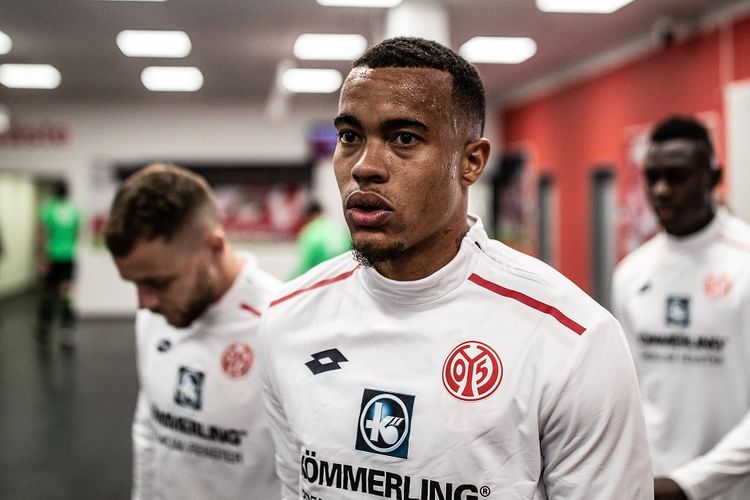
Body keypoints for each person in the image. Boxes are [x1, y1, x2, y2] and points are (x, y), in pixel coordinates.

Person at [259, 37, 652, 499]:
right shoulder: (287, 318)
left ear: (471, 162)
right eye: (350, 136)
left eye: (404, 138)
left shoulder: (571, 338)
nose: (364, 166)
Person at [104, 164, 281, 499]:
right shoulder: (155, 316)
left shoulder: (282, 325)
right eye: (135, 284)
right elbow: (149, 427)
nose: (144, 303)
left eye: (158, 282)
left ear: (213, 248)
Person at [612, 115, 750, 500]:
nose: (661, 191)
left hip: (731, 489)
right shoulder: (631, 273)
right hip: (649, 485)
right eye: (652, 177)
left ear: (713, 177)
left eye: (677, 176)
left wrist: (688, 484)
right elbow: (631, 390)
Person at [37, 179, 82, 347]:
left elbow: (42, 233)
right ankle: (67, 330)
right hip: (68, 257)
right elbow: (77, 233)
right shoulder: (74, 210)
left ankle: (44, 328)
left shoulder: (48, 208)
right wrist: (68, 245)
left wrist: (41, 255)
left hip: (52, 257)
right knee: (66, 294)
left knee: (49, 292)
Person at [290, 199, 350, 278]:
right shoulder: (337, 227)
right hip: (344, 276)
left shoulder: (310, 231)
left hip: (322, 279)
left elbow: (304, 267)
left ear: (309, 215)